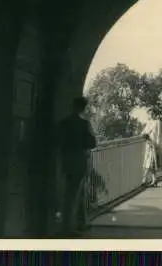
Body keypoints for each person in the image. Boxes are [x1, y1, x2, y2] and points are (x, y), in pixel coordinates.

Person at [56, 97, 97, 236]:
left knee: (74, 193)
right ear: (84, 108)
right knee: (74, 194)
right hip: (80, 161)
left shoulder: (63, 123)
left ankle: (80, 222)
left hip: (66, 160)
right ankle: (68, 228)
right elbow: (92, 143)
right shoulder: (84, 124)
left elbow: (58, 141)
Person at [141, 111, 162, 186]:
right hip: (148, 144)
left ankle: (144, 179)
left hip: (154, 145)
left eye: (152, 114)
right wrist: (144, 135)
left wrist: (157, 144)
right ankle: (154, 180)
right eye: (150, 114)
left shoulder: (158, 122)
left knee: (151, 162)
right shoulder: (149, 122)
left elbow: (159, 134)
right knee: (151, 163)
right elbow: (143, 132)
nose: (151, 115)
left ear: (155, 114)